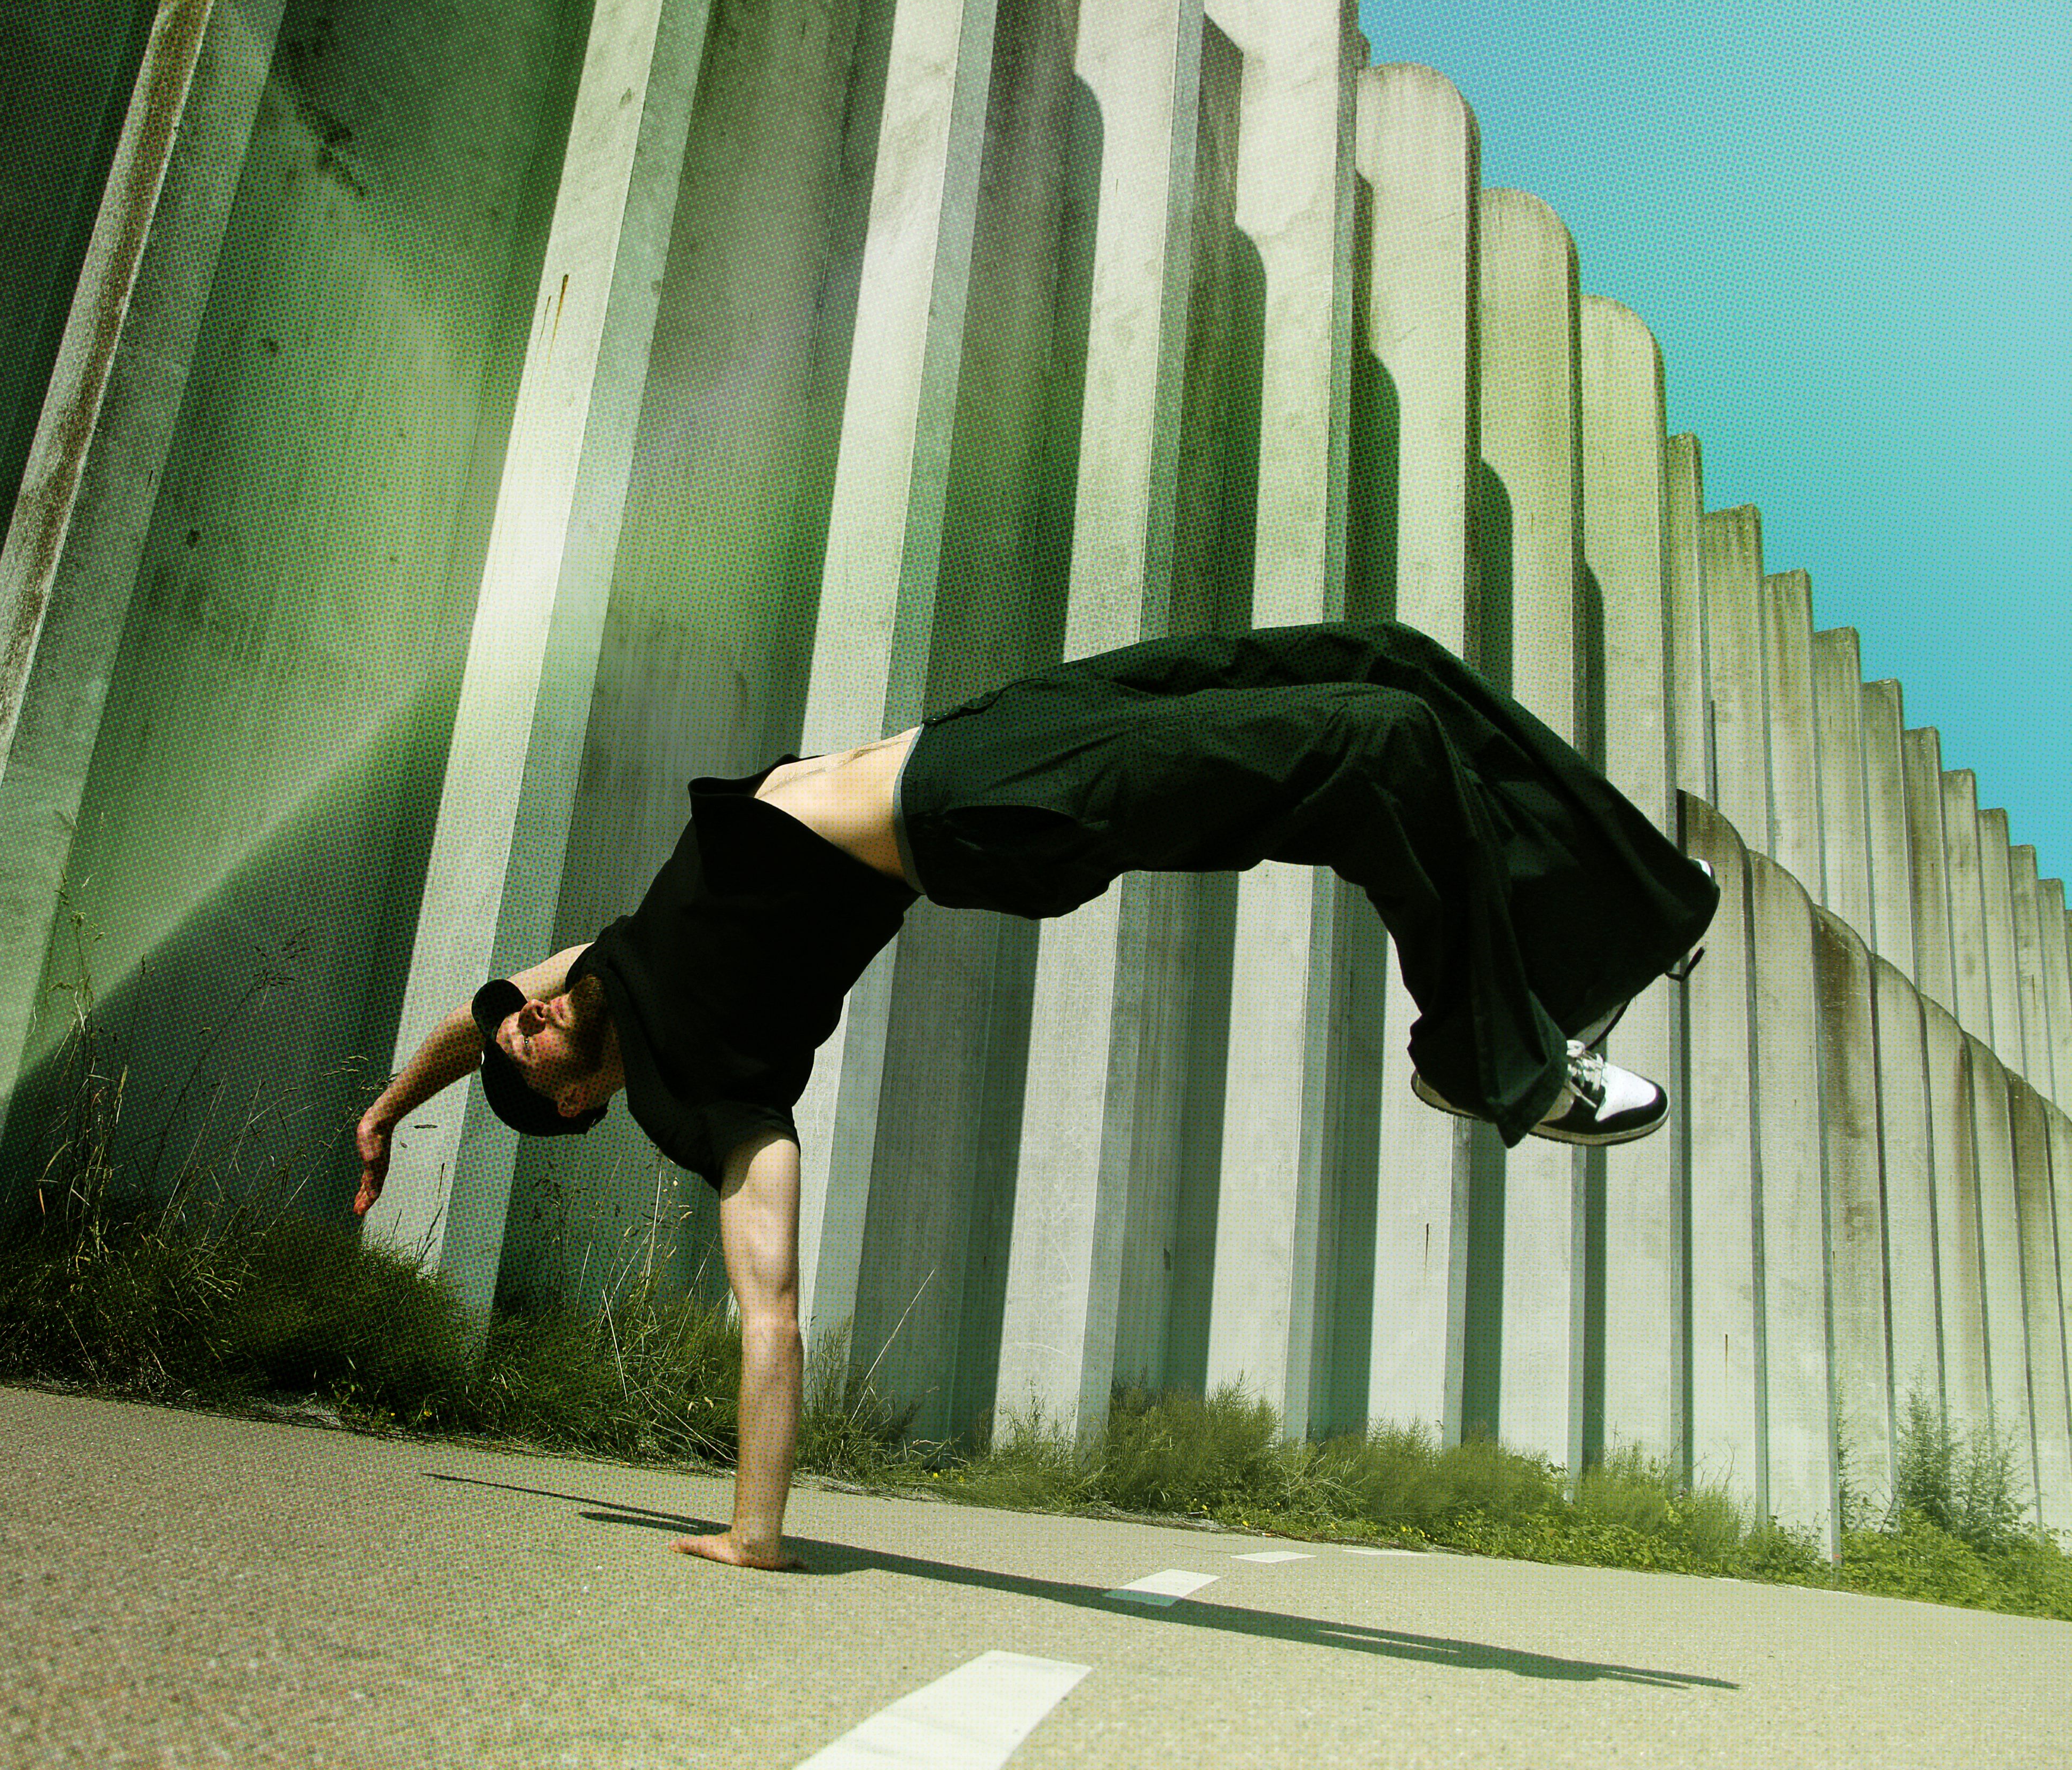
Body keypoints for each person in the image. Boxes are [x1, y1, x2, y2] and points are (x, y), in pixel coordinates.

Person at [352, 621, 1716, 1571]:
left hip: (989, 730)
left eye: (515, 1014)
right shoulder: (710, 1096)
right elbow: (768, 1313)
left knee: (1390, 660)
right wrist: (755, 1532)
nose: (519, 1015)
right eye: (527, 1049)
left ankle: (1610, 926)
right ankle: (1480, 1055)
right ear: (584, 1103)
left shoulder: (598, 968)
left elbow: (459, 1032)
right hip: (993, 812)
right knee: (1377, 748)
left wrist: (388, 1111)